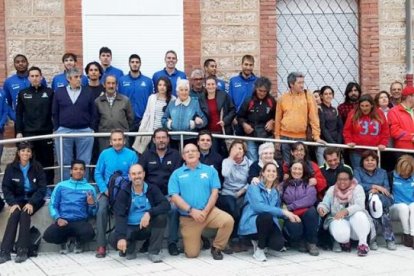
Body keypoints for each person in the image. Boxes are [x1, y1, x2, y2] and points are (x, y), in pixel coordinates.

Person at [168, 143, 234, 260]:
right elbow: (174, 196)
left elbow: (215, 193)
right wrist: (191, 211)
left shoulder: (210, 171)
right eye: (187, 152)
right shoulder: (176, 174)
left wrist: (205, 211)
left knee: (228, 221)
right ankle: (200, 240)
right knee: (192, 254)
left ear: (199, 154)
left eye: (193, 151)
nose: (190, 153)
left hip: (209, 212)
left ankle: (217, 247)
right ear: (183, 156)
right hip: (188, 217)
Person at [239, 163, 301, 262]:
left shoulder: (275, 192)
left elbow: (276, 210)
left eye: (273, 171)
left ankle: (260, 241)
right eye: (268, 171)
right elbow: (258, 207)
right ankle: (260, 250)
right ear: (263, 173)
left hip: (268, 223)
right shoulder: (254, 186)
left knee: (278, 244)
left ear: (276, 175)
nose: (271, 173)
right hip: (252, 223)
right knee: (266, 216)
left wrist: (291, 216)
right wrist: (284, 212)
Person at [109, 164, 170, 262]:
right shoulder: (124, 192)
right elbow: (120, 216)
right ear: (129, 176)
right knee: (113, 238)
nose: (137, 176)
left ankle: (153, 252)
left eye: (139, 173)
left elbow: (166, 204)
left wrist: (149, 213)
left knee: (161, 217)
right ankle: (130, 248)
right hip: (130, 228)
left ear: (144, 174)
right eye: (133, 174)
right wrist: (121, 237)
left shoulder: (152, 188)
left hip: (146, 227)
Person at [0, 142, 47, 264]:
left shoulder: (37, 167)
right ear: (18, 153)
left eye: (28, 151)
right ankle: (5, 251)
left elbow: (42, 188)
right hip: (18, 199)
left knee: (25, 214)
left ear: (31, 154)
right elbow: (6, 187)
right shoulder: (11, 167)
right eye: (23, 151)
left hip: (34, 199)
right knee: (15, 214)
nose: (25, 153)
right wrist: (12, 203)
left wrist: (32, 202)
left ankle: (22, 250)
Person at [94, 129, 138, 258]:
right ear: (110, 141)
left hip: (125, 191)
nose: (117, 142)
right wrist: (104, 189)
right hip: (107, 191)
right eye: (115, 140)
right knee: (101, 209)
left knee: (128, 210)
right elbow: (97, 173)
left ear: (124, 141)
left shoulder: (132, 155)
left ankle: (125, 243)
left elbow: (134, 174)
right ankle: (101, 245)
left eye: (120, 139)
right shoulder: (104, 154)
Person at [138, 128, 182, 255]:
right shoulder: (146, 155)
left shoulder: (175, 155)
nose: (161, 140)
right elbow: (141, 176)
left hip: (169, 194)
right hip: (151, 195)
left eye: (164, 137)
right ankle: (149, 240)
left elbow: (177, 177)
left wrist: (174, 195)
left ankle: (172, 242)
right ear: (154, 140)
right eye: (158, 138)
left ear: (168, 139)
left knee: (173, 209)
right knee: (148, 208)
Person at [317, 170, 375, 257]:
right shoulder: (332, 189)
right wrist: (321, 208)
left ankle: (363, 244)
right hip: (339, 219)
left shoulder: (358, 188)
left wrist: (346, 211)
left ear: (351, 180)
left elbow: (360, 205)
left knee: (359, 214)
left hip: (357, 224)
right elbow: (325, 203)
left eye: (345, 179)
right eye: (339, 179)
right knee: (341, 234)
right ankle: (345, 242)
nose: (342, 182)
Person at [43, 160, 97, 254]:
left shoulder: (90, 188)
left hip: (80, 221)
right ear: (71, 171)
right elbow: (53, 205)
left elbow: (93, 213)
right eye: (75, 169)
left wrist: (91, 204)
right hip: (64, 221)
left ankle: (78, 241)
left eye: (81, 169)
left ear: (84, 172)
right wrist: (58, 218)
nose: (78, 171)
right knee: (48, 235)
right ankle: (63, 242)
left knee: (90, 233)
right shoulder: (61, 186)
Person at [53, 68, 97, 180]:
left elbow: (93, 112)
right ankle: (67, 186)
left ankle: (83, 185)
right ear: (69, 79)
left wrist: (91, 128)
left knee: (85, 160)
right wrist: (57, 128)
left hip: (84, 130)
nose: (79, 79)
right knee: (65, 160)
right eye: (76, 77)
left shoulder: (88, 91)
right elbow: (55, 111)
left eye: (80, 77)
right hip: (64, 130)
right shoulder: (59, 92)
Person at [15, 66, 55, 184]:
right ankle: (32, 185)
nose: (35, 78)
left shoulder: (49, 92)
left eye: (37, 76)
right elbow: (18, 114)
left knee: (47, 161)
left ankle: (49, 185)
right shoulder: (23, 93)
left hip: (46, 132)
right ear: (28, 78)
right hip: (29, 133)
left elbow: (55, 112)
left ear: (41, 77)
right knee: (30, 160)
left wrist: (55, 128)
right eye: (32, 76)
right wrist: (19, 131)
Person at [275, 72, 324, 164]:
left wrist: (316, 137)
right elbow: (278, 119)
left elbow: (314, 118)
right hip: (284, 137)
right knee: (286, 164)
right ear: (291, 84)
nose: (302, 85)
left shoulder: (308, 96)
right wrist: (277, 138)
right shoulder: (282, 98)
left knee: (300, 164)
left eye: (303, 82)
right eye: (299, 83)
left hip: (301, 137)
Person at [354, 150, 396, 251]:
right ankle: (382, 239)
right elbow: (357, 185)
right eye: (367, 160)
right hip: (365, 199)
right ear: (362, 162)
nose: (370, 162)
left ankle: (381, 240)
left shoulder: (382, 172)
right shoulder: (357, 171)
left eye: (373, 160)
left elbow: (386, 189)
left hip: (382, 198)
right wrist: (373, 187)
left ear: (376, 161)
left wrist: (376, 192)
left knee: (379, 205)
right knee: (375, 208)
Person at [218, 140, 252, 249]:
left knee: (242, 208)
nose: (238, 151)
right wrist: (231, 159)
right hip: (227, 192)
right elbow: (225, 174)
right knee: (233, 208)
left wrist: (242, 191)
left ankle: (238, 238)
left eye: (240, 148)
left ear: (244, 151)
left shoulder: (249, 163)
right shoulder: (226, 161)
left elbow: (251, 181)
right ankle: (233, 238)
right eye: (234, 148)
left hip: (242, 192)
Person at [282, 160, 320, 256]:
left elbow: (310, 199)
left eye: (300, 169)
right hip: (291, 214)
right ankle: (300, 241)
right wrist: (284, 208)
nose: (297, 171)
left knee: (312, 212)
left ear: (303, 171)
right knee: (294, 227)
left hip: (305, 212)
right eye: (295, 168)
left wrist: (291, 206)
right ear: (290, 170)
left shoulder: (309, 183)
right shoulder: (284, 184)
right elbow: (279, 199)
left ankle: (311, 242)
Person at [343, 94, 390, 169]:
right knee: (358, 172)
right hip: (357, 151)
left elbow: (385, 130)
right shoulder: (353, 113)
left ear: (371, 105)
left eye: (367, 105)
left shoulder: (379, 113)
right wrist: (349, 141)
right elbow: (347, 130)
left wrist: (383, 143)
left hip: (374, 151)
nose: (364, 108)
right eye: (362, 106)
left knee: (373, 173)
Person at [133, 77, 175, 154]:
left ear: (168, 86)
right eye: (160, 85)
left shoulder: (173, 99)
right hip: (153, 133)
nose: (162, 87)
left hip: (167, 133)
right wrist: (142, 129)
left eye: (164, 85)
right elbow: (147, 115)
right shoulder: (152, 98)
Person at [118, 54, 154, 144]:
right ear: (129, 64)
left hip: (143, 121)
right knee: (127, 147)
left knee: (143, 148)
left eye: (137, 62)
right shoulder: (121, 81)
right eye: (132, 62)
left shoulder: (148, 81)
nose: (135, 64)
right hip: (126, 121)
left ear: (140, 64)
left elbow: (152, 101)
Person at [238, 77, 276, 162]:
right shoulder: (249, 100)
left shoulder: (271, 101)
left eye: (264, 91)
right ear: (255, 88)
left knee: (268, 160)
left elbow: (277, 116)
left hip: (267, 134)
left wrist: (272, 121)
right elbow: (239, 116)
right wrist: (244, 125)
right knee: (253, 160)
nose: (262, 93)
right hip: (251, 134)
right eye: (260, 90)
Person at [162, 79, 207, 149]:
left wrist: (197, 123)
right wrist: (170, 124)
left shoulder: (194, 103)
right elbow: (163, 119)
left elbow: (204, 120)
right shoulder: (172, 104)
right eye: (181, 90)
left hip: (190, 138)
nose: (184, 92)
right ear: (177, 92)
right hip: (174, 138)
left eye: (186, 90)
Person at [95, 75, 134, 151]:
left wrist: (123, 130)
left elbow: (130, 119)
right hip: (104, 138)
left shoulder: (125, 100)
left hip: (122, 137)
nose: (111, 86)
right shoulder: (98, 101)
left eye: (113, 83)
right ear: (104, 84)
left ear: (117, 85)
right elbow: (96, 120)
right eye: (108, 83)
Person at [3, 54, 47, 120]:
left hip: (39, 120)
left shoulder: (38, 78)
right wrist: (14, 116)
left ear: (27, 63)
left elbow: (46, 98)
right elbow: (6, 103)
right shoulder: (9, 82)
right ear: (14, 64)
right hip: (20, 120)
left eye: (23, 61)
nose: (20, 64)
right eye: (17, 62)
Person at [203, 76, 236, 156]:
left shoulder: (223, 95)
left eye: (213, 84)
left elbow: (233, 110)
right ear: (205, 85)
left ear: (216, 85)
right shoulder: (202, 98)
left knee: (225, 154)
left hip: (224, 131)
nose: (211, 86)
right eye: (208, 84)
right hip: (210, 133)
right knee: (214, 156)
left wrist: (225, 121)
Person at [389, 155, 414, 248]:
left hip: (411, 204)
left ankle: (412, 236)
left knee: (413, 206)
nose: (405, 174)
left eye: (409, 171)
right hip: (395, 206)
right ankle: (406, 234)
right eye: (403, 171)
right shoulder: (391, 175)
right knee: (404, 207)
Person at [317, 86, 343, 166]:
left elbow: (340, 127)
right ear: (321, 96)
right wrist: (332, 143)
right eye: (326, 94)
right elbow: (323, 128)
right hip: (324, 144)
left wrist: (338, 144)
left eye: (330, 93)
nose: (328, 96)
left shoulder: (335, 109)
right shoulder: (319, 108)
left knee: (340, 168)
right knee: (324, 168)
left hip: (336, 144)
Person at [388, 86, 414, 151]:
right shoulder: (394, 111)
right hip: (404, 149)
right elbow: (395, 131)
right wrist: (411, 137)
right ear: (409, 97)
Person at [0, 88, 7, 168]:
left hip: (0, 128)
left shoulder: (2, 92)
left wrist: (1, 124)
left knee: (0, 148)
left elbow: (5, 111)